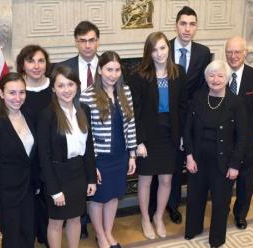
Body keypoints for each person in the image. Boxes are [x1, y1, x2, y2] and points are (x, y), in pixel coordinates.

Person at [128, 32, 187, 239]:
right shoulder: (139, 76)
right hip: (148, 138)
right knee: (145, 181)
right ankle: (145, 218)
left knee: (166, 180)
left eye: (163, 48)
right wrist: (139, 141)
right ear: (149, 52)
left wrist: (181, 136)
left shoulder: (178, 72)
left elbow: (182, 107)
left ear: (168, 49)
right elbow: (134, 111)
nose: (159, 53)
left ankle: (158, 216)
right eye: (154, 49)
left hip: (170, 136)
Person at [184, 60, 247, 248]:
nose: (215, 79)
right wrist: (189, 156)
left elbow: (243, 137)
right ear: (206, 78)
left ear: (227, 78)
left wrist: (235, 164)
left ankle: (216, 239)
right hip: (198, 159)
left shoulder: (236, 102)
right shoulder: (198, 97)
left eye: (220, 75)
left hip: (224, 162)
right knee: (195, 197)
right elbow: (187, 130)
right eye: (211, 75)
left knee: (220, 202)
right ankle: (193, 229)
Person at [80, 51, 137, 248]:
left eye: (117, 70)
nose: (113, 74)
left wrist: (132, 154)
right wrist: (91, 164)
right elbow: (85, 134)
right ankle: (100, 235)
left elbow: (131, 125)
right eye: (109, 70)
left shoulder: (126, 91)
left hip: (120, 155)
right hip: (100, 158)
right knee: (99, 199)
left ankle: (108, 232)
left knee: (113, 196)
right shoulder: (87, 95)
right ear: (99, 70)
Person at [37, 66, 97, 248]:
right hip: (57, 175)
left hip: (78, 173)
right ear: (53, 89)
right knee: (56, 222)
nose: (66, 90)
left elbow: (88, 146)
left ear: (77, 86)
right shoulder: (47, 115)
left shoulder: (84, 109)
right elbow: (44, 156)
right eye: (61, 86)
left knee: (75, 218)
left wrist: (91, 178)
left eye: (70, 84)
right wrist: (54, 189)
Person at [164, 5, 211, 224]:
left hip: (192, 119)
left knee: (187, 163)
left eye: (192, 24)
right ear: (176, 25)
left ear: (196, 27)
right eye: (183, 23)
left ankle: (178, 205)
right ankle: (162, 205)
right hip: (166, 119)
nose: (187, 28)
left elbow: (204, 87)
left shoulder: (203, 52)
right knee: (167, 164)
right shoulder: (164, 49)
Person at [0, 72, 36, 248]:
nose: (18, 98)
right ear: (1, 93)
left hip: (29, 190)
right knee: (12, 241)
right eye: (12, 93)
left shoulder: (28, 116)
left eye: (22, 92)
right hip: (7, 195)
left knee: (28, 235)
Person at [55, 20, 100, 238]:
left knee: (95, 184)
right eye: (82, 41)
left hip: (103, 135)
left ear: (98, 42)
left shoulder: (109, 66)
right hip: (76, 136)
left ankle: (97, 224)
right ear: (76, 42)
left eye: (91, 40)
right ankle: (79, 223)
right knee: (78, 182)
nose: (87, 45)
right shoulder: (65, 68)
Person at [225, 36, 253, 229]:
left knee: (245, 180)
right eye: (229, 52)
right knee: (223, 177)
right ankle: (222, 207)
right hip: (223, 139)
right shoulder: (218, 74)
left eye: (237, 52)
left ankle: (241, 214)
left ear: (245, 53)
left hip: (248, 139)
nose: (233, 56)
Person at [16, 44, 52, 247]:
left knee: (49, 198)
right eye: (30, 61)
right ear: (22, 65)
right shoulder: (18, 91)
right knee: (32, 201)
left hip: (52, 155)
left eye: (41, 61)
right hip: (28, 157)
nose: (36, 66)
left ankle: (48, 237)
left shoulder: (56, 86)